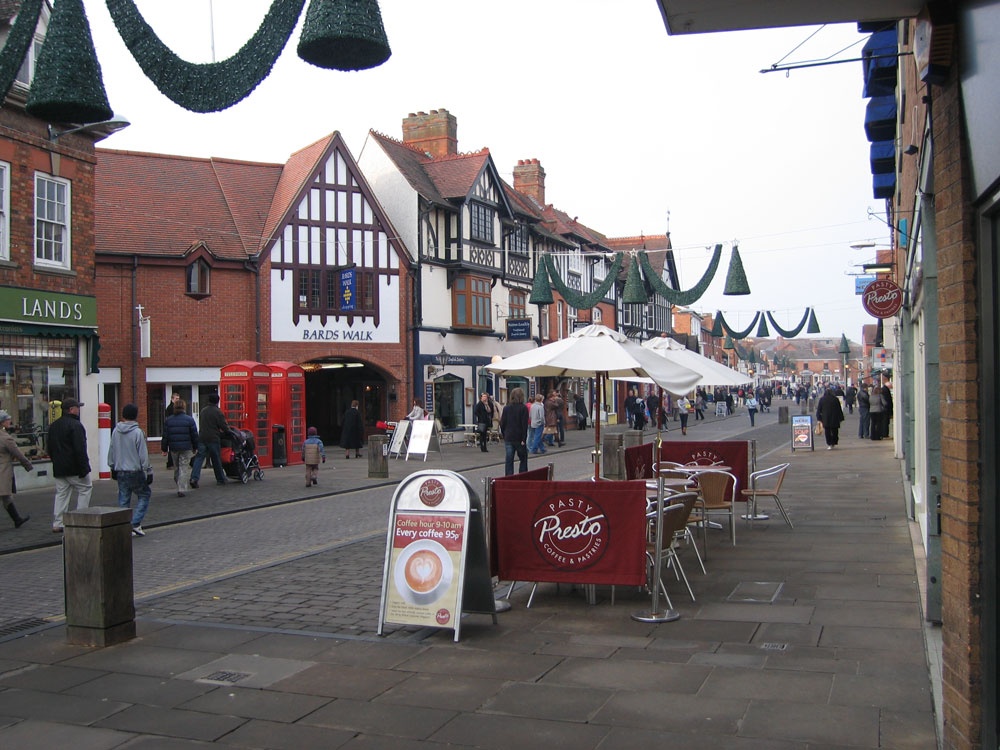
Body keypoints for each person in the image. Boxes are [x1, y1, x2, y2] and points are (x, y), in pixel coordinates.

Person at [108, 403, 153, 537]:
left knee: (123, 498)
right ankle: (135, 522)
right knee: (144, 495)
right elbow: (143, 454)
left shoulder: (116, 431)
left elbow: (112, 449)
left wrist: (112, 466)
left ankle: (123, 525)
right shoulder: (138, 432)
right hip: (135, 470)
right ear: (136, 415)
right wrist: (148, 470)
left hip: (120, 469)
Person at [48, 397, 92, 533]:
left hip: (59, 467)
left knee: (62, 493)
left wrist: (55, 461)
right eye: (77, 407)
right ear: (72, 409)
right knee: (85, 489)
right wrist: (84, 468)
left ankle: (58, 522)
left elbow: (49, 447)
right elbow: (80, 448)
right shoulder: (76, 425)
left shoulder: (54, 426)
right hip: (74, 467)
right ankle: (80, 519)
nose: (79, 410)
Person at [0, 409, 32, 528]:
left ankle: (17, 519)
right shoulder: (5, 438)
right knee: (4, 494)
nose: (9, 421)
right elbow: (18, 453)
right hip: (2, 471)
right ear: (2, 422)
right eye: (7, 419)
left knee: (6, 497)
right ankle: (17, 519)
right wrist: (27, 465)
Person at [190, 393, 229, 487]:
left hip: (202, 437)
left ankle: (194, 478)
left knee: (199, 458)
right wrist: (228, 431)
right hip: (213, 438)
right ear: (217, 401)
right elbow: (223, 426)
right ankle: (220, 479)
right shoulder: (218, 412)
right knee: (216, 459)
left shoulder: (203, 410)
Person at [162, 398, 198, 497]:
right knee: (183, 467)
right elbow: (194, 435)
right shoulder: (189, 419)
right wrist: (195, 447)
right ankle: (181, 488)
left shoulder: (169, 420)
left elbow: (165, 436)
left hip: (173, 448)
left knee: (177, 467)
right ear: (184, 407)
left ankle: (179, 483)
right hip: (186, 448)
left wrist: (164, 449)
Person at [499, 387, 529, 475]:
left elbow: (502, 423)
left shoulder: (506, 408)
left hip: (509, 437)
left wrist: (504, 435)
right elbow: (524, 425)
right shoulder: (523, 408)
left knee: (509, 459)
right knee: (523, 458)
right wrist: (524, 438)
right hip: (519, 438)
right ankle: (523, 476)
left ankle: (509, 477)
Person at [164, 392, 180, 469]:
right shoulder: (170, 408)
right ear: (172, 399)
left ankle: (172, 463)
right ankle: (170, 463)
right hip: (171, 430)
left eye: (178, 399)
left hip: (174, 430)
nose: (177, 400)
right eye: (176, 398)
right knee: (171, 448)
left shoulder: (174, 408)